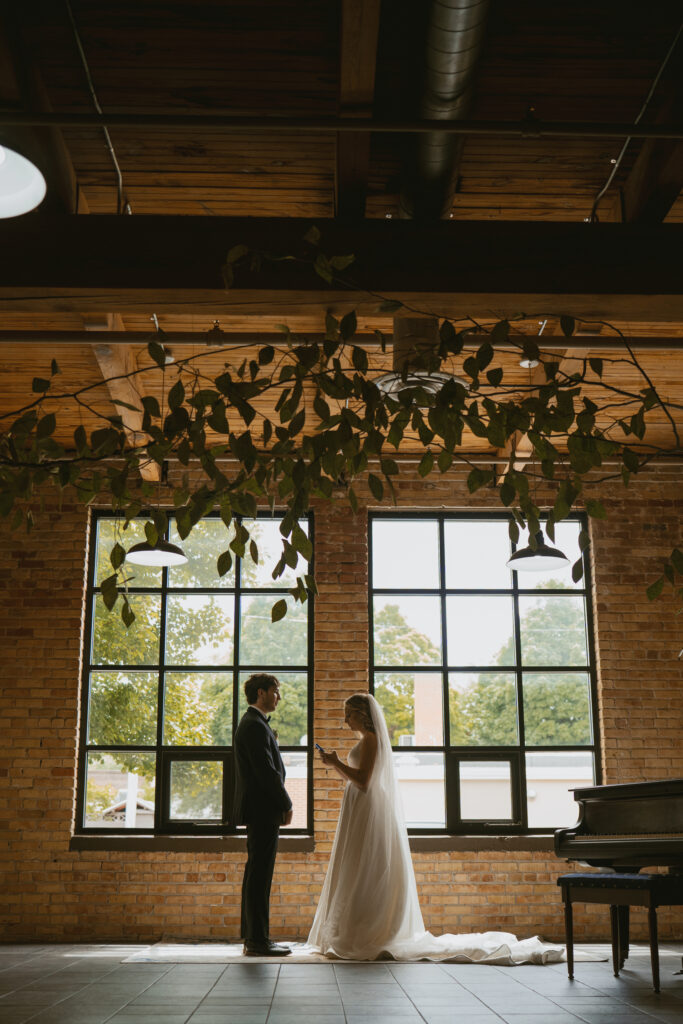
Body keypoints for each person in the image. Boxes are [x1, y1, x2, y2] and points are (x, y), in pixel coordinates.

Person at [307, 692, 566, 964]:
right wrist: (336, 765)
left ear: (362, 715)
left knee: (364, 866)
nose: (345, 720)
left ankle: (366, 930)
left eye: (349, 714)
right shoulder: (366, 740)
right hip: (361, 808)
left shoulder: (371, 740)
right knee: (357, 865)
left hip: (367, 806)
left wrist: (336, 763)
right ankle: (354, 928)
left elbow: (364, 780)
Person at [234, 672, 293, 956]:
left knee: (256, 873)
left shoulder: (254, 723)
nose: (278, 696)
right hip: (263, 810)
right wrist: (286, 803)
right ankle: (258, 941)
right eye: (275, 691)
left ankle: (254, 938)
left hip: (259, 809)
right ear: (261, 693)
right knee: (260, 875)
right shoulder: (254, 725)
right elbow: (267, 772)